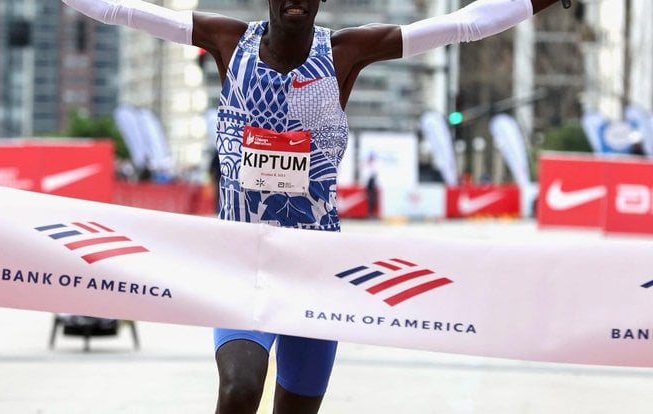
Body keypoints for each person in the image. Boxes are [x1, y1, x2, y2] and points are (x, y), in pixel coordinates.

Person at [61, 0, 565, 412]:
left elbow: (464, 24)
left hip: (317, 271)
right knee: (239, 390)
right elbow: (120, 11)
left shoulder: (345, 53)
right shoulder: (227, 41)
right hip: (243, 263)